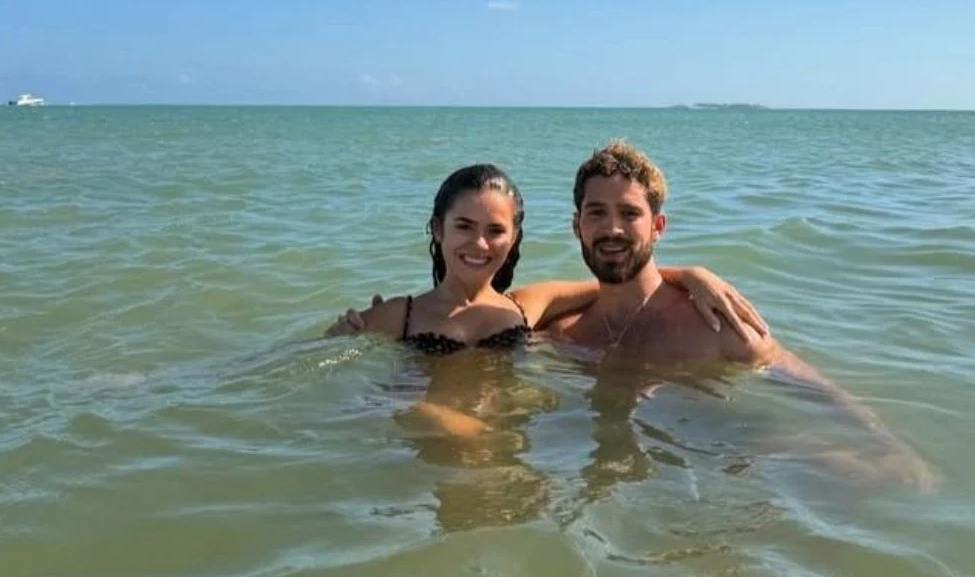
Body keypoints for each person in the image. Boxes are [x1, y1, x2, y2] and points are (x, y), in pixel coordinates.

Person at [539, 139, 939, 492]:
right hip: (614, 488)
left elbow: (813, 389)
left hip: (723, 473)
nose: (612, 229)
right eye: (596, 213)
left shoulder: (714, 322)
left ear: (658, 226)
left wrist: (889, 445)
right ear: (577, 226)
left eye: (629, 214)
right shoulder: (563, 333)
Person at [323, 162, 767, 436]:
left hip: (511, 450)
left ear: (513, 239)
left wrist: (692, 275)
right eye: (464, 226)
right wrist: (434, 416)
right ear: (438, 230)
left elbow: (621, 279)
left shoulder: (525, 306)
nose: (479, 243)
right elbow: (336, 382)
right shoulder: (398, 316)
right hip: (430, 456)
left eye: (495, 230)